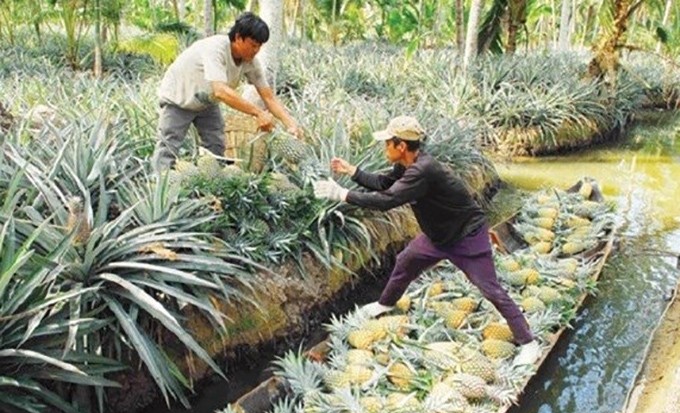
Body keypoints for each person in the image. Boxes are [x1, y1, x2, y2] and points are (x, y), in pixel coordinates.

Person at [312, 115, 540, 365]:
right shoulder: (407, 166)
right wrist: (352, 171)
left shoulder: (423, 170)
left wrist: (341, 194)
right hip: (437, 237)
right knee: (405, 261)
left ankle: (529, 343)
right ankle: (384, 304)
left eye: (387, 142)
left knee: (490, 289)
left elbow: (388, 200)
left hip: (467, 236)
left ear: (400, 146)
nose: (384, 147)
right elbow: (384, 183)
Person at [153, 12, 302, 171]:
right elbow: (221, 91)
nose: (256, 50)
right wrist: (258, 113)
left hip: (206, 102)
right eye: (253, 45)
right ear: (238, 38)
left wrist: (291, 124)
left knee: (216, 146)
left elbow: (268, 97)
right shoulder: (215, 49)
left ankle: (212, 188)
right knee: (169, 146)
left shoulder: (251, 62)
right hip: (179, 98)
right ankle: (159, 187)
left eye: (259, 46)